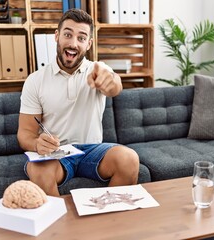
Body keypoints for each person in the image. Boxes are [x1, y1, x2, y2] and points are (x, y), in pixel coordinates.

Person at [17, 8, 140, 196]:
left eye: (81, 38)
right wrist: (37, 144)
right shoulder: (35, 81)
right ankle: (59, 225)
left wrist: (111, 82)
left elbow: (115, 85)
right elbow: (25, 133)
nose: (73, 43)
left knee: (129, 159)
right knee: (39, 170)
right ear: (57, 36)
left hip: (93, 150)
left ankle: (109, 221)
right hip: (56, 154)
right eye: (68, 34)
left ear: (89, 44)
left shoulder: (98, 69)